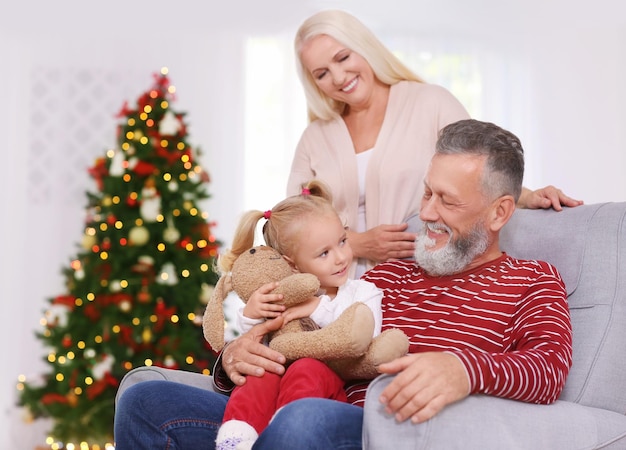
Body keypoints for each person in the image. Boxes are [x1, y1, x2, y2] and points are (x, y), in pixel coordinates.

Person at [113, 118, 573, 449]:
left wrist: (463, 369)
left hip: (386, 428)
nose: (427, 213)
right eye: (427, 192)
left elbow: (549, 370)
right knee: (145, 401)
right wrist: (235, 356)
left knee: (302, 422)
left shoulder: (531, 280)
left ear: (499, 212)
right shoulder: (390, 271)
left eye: (446, 201)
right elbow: (305, 335)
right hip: (306, 400)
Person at [286, 9, 583, 278]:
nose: (338, 77)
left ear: (364, 47)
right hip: (331, 294)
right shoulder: (314, 137)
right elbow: (290, 225)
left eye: (343, 57)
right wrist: (358, 243)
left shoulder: (429, 102)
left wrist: (527, 197)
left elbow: (478, 167)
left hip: (415, 281)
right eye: (322, 74)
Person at [212, 180, 385, 450]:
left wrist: (317, 308)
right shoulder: (283, 294)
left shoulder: (363, 291)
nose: (340, 257)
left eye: (343, 241)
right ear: (292, 264)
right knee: (261, 372)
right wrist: (251, 312)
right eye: (324, 253)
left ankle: (285, 431)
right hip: (276, 387)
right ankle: (235, 439)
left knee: (306, 367)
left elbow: (364, 336)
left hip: (325, 393)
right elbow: (255, 340)